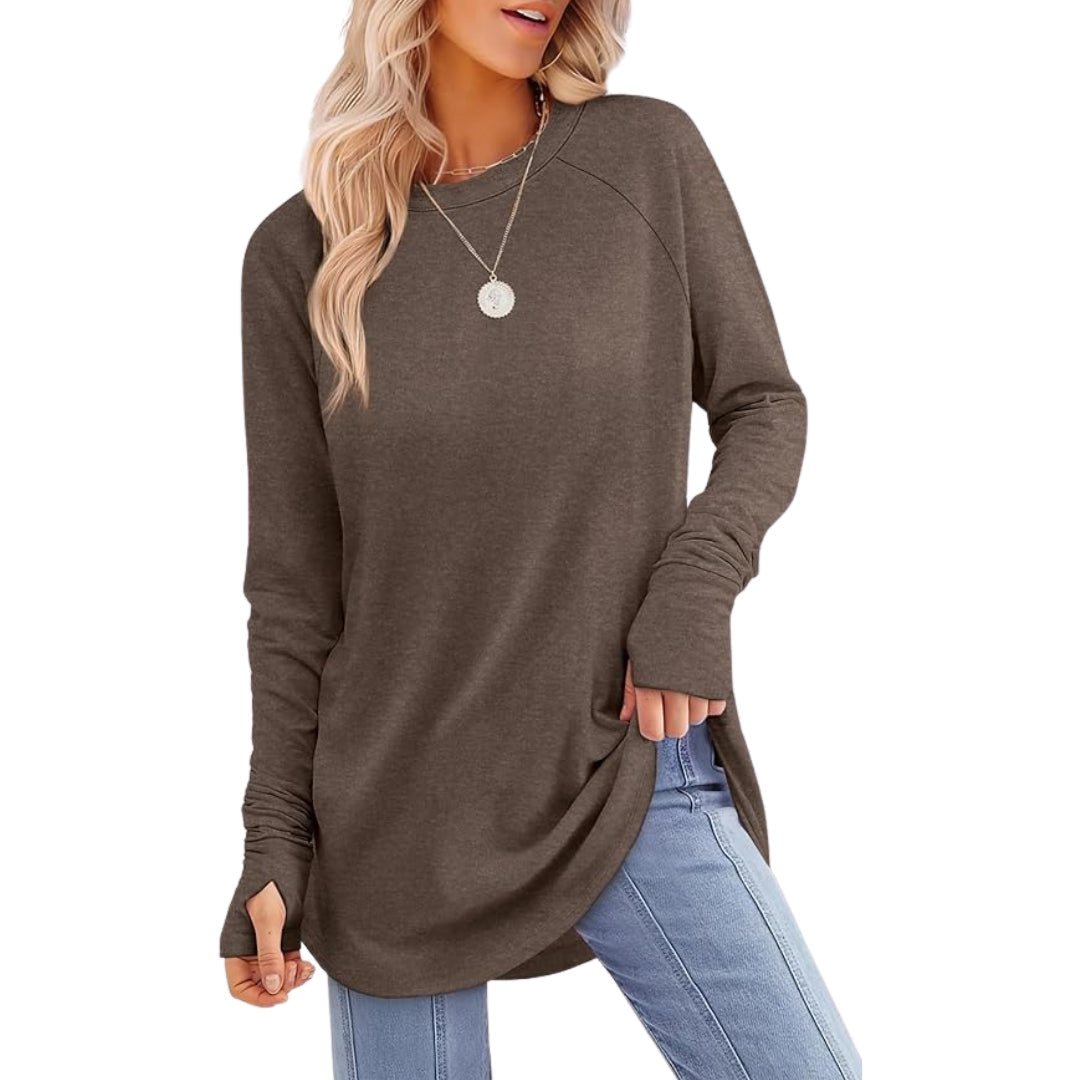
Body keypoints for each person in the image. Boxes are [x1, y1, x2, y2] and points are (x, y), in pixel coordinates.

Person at [218, 1, 863, 1077]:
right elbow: (294, 592)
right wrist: (273, 837)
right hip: (396, 823)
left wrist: (693, 590)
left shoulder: (644, 154)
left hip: (625, 760)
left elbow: (763, 405)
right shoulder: (301, 255)